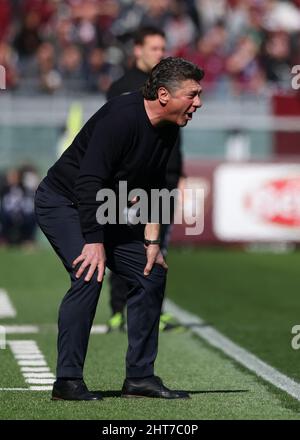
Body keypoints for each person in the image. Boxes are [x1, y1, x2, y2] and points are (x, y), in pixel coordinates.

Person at [35, 57, 204, 401]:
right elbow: (87, 182)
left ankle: (140, 378)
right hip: (63, 202)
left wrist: (152, 241)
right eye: (192, 94)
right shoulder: (121, 119)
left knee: (150, 272)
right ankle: (67, 382)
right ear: (163, 95)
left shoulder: (169, 127)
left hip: (102, 208)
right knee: (88, 273)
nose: (198, 102)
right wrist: (94, 242)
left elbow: (156, 185)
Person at [106, 26, 186, 333]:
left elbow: (174, 138)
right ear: (137, 50)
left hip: (164, 179)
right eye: (154, 48)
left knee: (158, 245)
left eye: (162, 48)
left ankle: (154, 309)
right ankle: (117, 310)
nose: (159, 54)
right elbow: (116, 137)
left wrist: (178, 173)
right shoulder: (121, 87)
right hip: (130, 182)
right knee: (123, 241)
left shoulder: (170, 86)